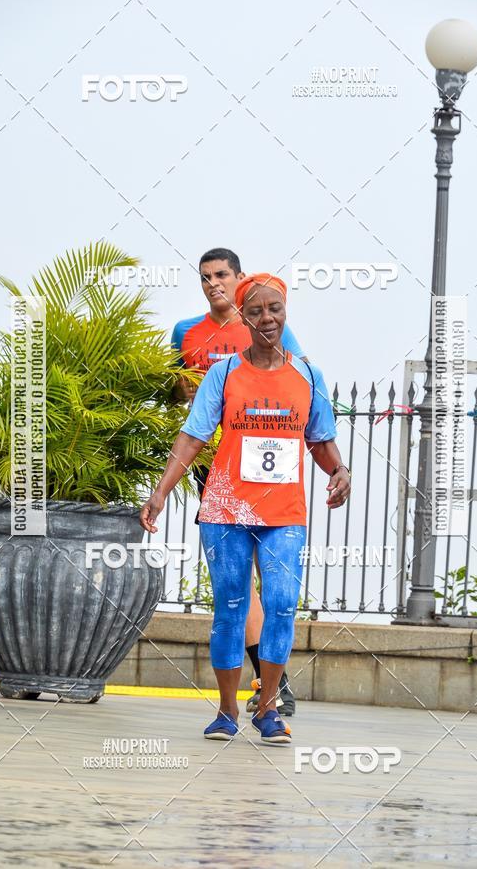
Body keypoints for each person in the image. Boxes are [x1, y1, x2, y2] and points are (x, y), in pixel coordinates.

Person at [142, 273, 350, 745]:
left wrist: (340, 470)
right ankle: (226, 710)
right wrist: (160, 492)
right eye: (255, 311)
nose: (266, 318)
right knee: (231, 607)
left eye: (274, 308)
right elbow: (193, 436)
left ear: (285, 311)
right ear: (243, 317)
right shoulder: (224, 374)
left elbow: (320, 440)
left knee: (281, 603)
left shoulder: (308, 376)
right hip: (226, 508)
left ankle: (269, 707)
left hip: (283, 512)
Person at [170, 248, 306, 716]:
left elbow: (296, 381)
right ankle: (272, 687)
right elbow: (173, 393)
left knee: (276, 583)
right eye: (205, 277)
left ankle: (273, 685)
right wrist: (187, 390)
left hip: (270, 471)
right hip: (217, 466)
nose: (214, 284)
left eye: (222, 275)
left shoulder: (264, 322)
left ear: (240, 278)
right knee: (237, 584)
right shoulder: (186, 331)